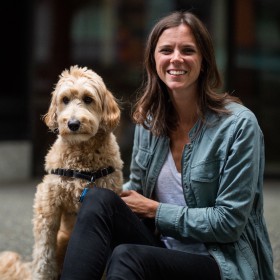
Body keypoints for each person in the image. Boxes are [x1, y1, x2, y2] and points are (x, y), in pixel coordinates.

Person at [60, 11, 275, 280]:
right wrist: (78, 196)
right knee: (98, 199)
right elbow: (136, 190)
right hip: (162, 249)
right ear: (153, 60)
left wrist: (155, 210)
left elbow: (228, 223)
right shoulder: (150, 120)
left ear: (204, 60)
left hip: (222, 263)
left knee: (127, 257)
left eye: (187, 50)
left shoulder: (239, 126)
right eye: (166, 50)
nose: (176, 58)